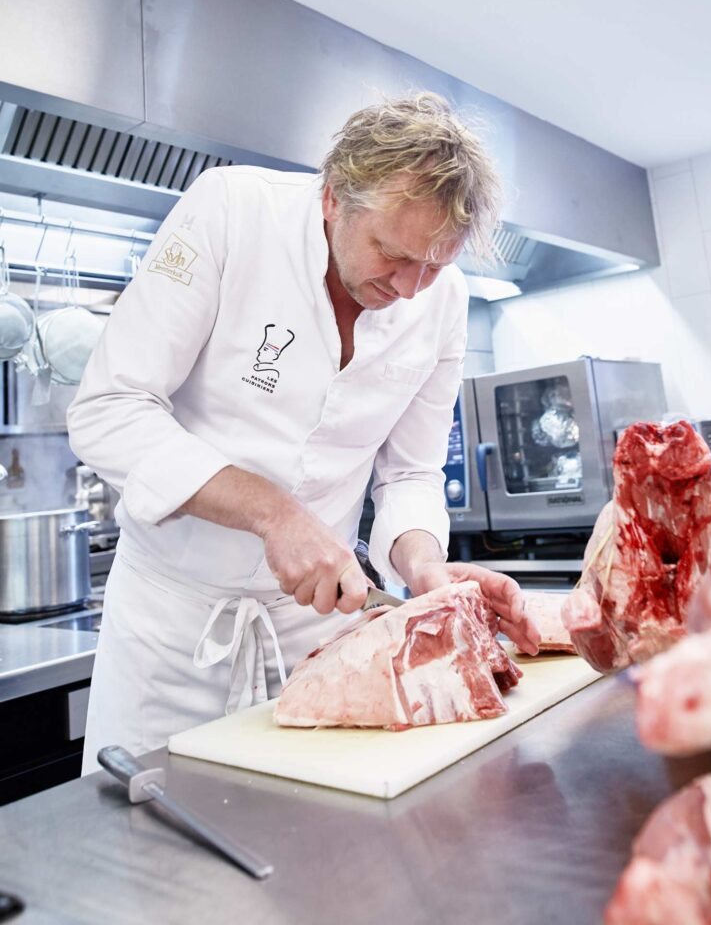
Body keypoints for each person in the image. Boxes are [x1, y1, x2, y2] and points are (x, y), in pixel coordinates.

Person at [68, 92, 539, 772]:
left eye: (435, 265)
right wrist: (273, 514)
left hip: (319, 637)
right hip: (170, 634)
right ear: (332, 199)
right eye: (391, 253)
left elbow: (409, 473)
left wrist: (423, 568)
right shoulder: (232, 212)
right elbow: (109, 407)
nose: (411, 288)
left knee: (311, 829)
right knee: (146, 830)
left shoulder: (445, 301)